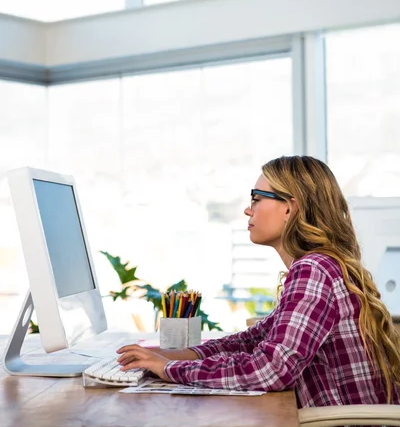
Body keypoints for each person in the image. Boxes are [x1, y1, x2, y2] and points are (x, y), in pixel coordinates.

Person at [117, 155, 400, 409]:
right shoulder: (322, 265)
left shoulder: (315, 269)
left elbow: (271, 369)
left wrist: (171, 370)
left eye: (256, 198)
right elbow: (253, 340)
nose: (248, 210)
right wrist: (172, 355)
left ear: (290, 209)